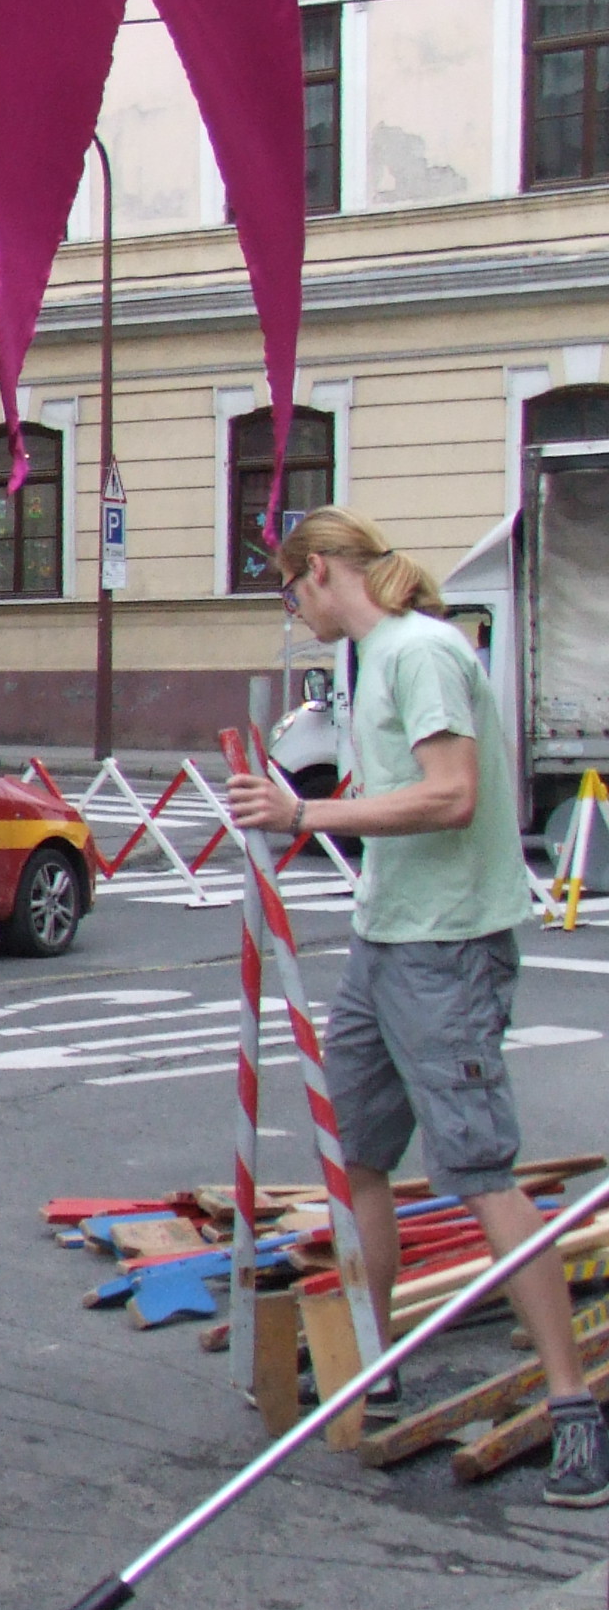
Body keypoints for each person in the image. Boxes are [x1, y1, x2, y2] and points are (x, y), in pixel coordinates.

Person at [224, 507, 600, 1506]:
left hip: (448, 949)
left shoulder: (420, 651)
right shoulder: (375, 658)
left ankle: (574, 1409)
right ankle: (372, 1359)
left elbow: (451, 795)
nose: (294, 611)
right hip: (387, 939)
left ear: (317, 571)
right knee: (357, 1157)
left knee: (478, 1171)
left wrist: (305, 811)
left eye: (288, 591)